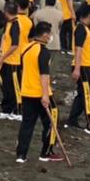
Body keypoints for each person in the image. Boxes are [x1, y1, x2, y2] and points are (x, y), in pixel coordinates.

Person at [15, 21, 60, 164]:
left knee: (27, 124)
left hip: (26, 92)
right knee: (52, 121)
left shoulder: (26, 48)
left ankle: (21, 154)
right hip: (40, 92)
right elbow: (44, 74)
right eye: (50, 34)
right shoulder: (43, 51)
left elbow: (21, 68)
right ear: (45, 34)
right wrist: (46, 95)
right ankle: (46, 152)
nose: (50, 37)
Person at [64, 4, 90, 136]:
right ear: (89, 15)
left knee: (82, 95)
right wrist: (77, 68)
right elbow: (79, 49)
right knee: (88, 96)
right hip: (83, 67)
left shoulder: (84, 28)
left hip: (87, 66)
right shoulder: (81, 28)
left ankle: (72, 119)